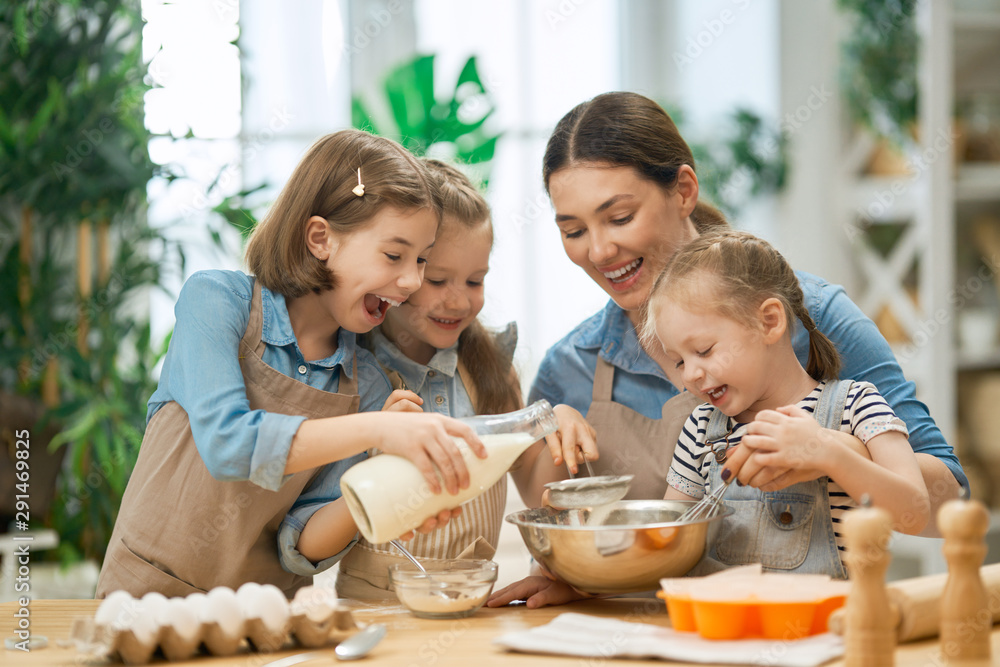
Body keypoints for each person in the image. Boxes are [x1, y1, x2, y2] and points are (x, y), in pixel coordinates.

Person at [489, 91, 967, 608]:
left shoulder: (815, 315)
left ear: (684, 190)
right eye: (575, 230)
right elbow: (595, 532)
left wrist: (834, 453)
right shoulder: (571, 367)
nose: (600, 250)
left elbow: (944, 508)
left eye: (620, 217)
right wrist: (579, 574)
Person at [96, 130, 486, 599]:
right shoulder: (218, 302)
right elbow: (228, 444)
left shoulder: (370, 388)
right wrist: (376, 431)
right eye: (394, 255)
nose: (411, 281)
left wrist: (387, 498)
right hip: (141, 600)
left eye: (422, 260)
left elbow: (298, 543)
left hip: (265, 620)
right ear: (320, 238)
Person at [321, 158, 596, 599]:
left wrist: (555, 427)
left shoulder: (489, 370)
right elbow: (316, 528)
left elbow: (537, 486)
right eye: (437, 279)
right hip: (374, 608)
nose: (458, 300)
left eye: (475, 280)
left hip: (471, 603)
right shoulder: (351, 372)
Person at [651, 230, 929, 577]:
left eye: (704, 350)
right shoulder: (700, 428)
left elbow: (914, 513)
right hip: (725, 627)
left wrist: (829, 453)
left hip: (830, 626)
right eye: (679, 361)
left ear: (769, 321)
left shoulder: (856, 405)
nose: (689, 375)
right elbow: (669, 540)